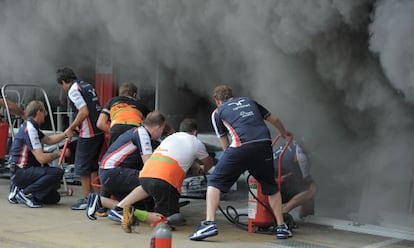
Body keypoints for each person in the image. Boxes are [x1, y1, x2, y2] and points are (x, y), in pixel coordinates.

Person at [189, 85, 292, 241]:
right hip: (264, 145)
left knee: (215, 182)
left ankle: (209, 223)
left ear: (217, 101)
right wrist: (283, 133)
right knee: (270, 186)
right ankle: (281, 227)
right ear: (232, 96)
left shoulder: (217, 112)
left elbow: (224, 142)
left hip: (241, 147)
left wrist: (231, 162)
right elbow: (275, 119)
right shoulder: (249, 101)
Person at [117, 118, 214, 233]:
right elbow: (208, 162)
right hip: (165, 180)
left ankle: (124, 207)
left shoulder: (171, 138)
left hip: (146, 174)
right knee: (171, 219)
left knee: (159, 199)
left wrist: (197, 166)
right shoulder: (195, 142)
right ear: (195, 132)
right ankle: (135, 213)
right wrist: (203, 169)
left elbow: (180, 155)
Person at [85, 111, 166, 221]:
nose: (161, 134)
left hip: (109, 172)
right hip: (113, 172)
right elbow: (148, 164)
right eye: (162, 130)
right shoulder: (142, 134)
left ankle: (100, 200)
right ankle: (118, 210)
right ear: (157, 127)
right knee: (150, 183)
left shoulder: (138, 131)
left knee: (134, 208)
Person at [56, 67, 104, 210]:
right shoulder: (86, 85)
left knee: (82, 167)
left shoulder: (73, 90)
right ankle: (98, 198)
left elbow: (84, 112)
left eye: (62, 85)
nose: (63, 89)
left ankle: (87, 199)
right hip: (99, 130)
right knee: (93, 165)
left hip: (88, 133)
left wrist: (71, 128)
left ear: (64, 82)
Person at [7, 100, 68, 208]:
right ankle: (25, 193)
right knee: (57, 173)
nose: (45, 114)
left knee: (54, 197)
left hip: (23, 169)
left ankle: (21, 189)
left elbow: (48, 139)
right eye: (44, 111)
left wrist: (65, 134)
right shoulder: (30, 129)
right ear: (38, 112)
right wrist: (58, 154)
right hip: (21, 171)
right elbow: (41, 159)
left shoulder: (31, 125)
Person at [274, 138, 317, 218]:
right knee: (311, 188)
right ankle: (283, 213)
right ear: (306, 141)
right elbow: (305, 179)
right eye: (314, 144)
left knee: (306, 183)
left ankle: (306, 214)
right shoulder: (301, 156)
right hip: (274, 190)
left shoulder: (292, 142)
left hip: (265, 183)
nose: (315, 148)